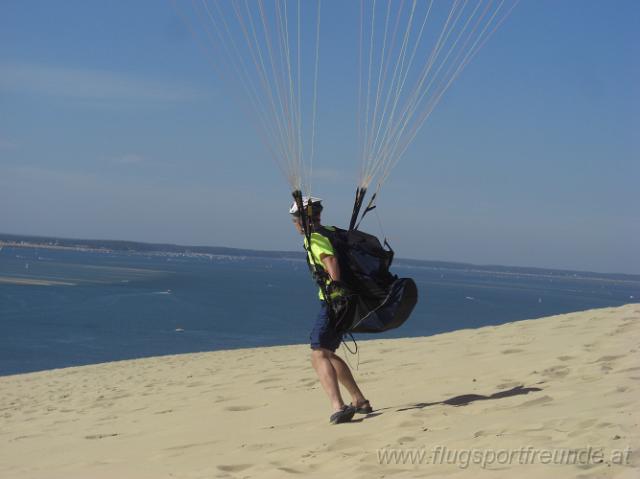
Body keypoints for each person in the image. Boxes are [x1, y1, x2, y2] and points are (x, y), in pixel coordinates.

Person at [290, 196, 373, 424]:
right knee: (326, 353)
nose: (294, 225)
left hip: (334, 301)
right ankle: (360, 400)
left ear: (302, 220)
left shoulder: (316, 238)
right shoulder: (328, 231)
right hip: (344, 300)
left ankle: (339, 406)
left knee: (318, 354)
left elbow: (331, 260)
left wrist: (335, 286)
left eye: (295, 220)